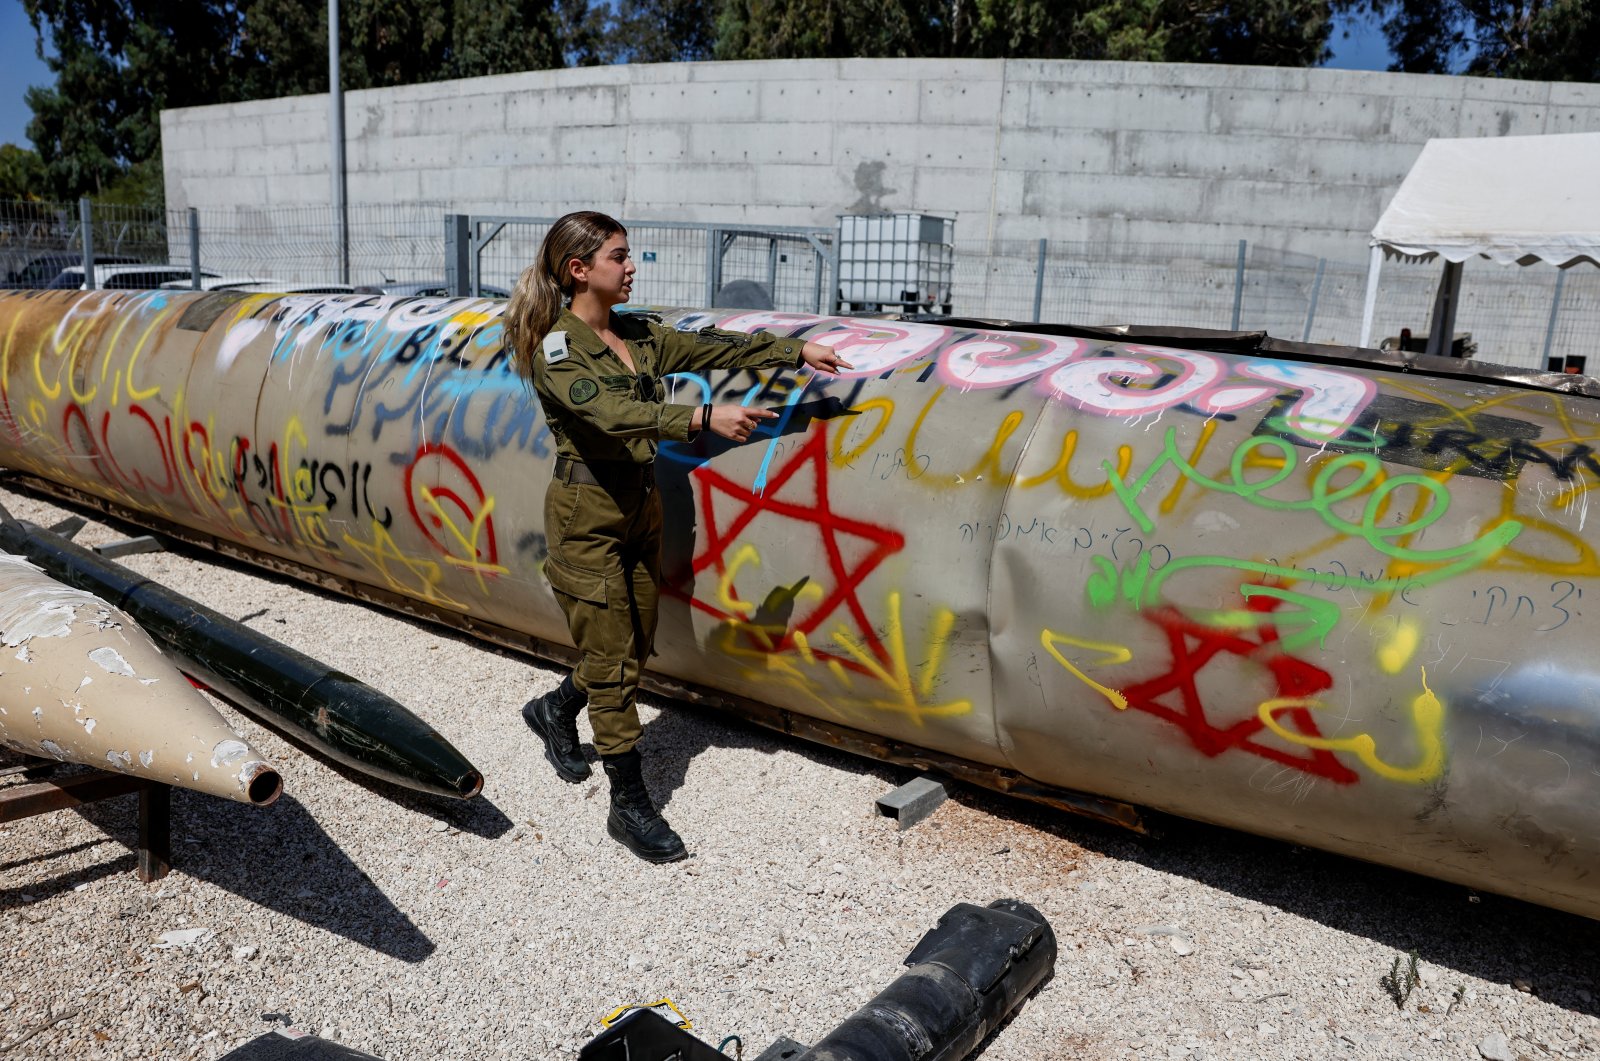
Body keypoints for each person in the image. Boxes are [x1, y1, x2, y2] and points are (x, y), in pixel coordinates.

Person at [503, 211, 852, 863]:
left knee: (633, 639)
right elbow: (608, 414)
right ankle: (628, 803)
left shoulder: (637, 333)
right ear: (579, 270)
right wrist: (698, 416)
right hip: (588, 511)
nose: (631, 266)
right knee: (613, 660)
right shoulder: (559, 347)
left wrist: (793, 350)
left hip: (640, 503)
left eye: (630, 255)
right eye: (618, 256)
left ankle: (555, 708)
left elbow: (711, 346)